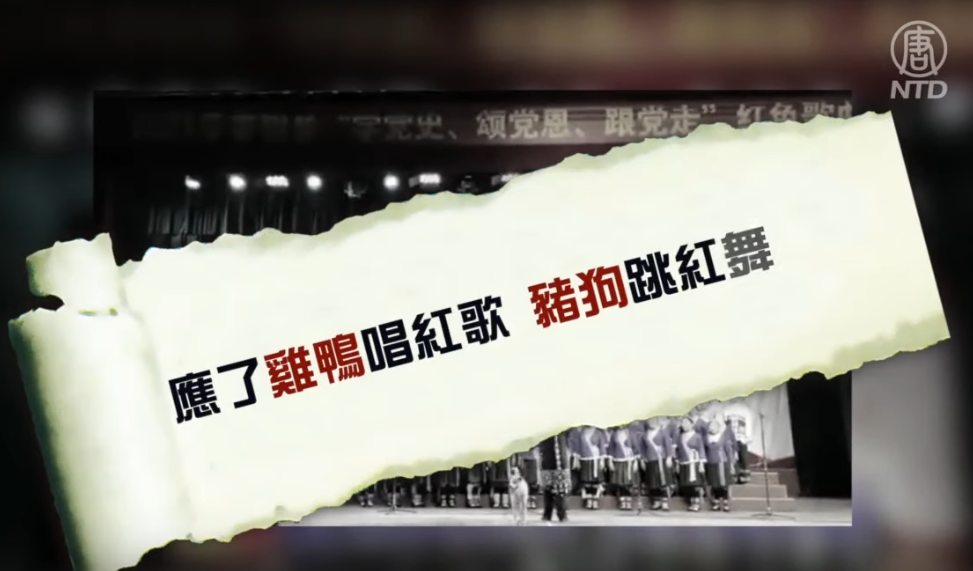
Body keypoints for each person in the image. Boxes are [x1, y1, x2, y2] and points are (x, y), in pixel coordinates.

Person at [569, 426, 610, 509]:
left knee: (595, 480)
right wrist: (576, 459)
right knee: (586, 479)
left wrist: (602, 460)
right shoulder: (581, 433)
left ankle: (595, 499)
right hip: (584, 459)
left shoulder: (598, 433)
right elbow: (577, 447)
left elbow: (602, 447)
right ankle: (588, 499)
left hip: (596, 459)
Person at [641, 417, 674, 511]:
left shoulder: (663, 432)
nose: (651, 422)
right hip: (650, 460)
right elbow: (643, 448)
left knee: (663, 481)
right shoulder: (645, 435)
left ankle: (664, 501)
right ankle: (656, 501)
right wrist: (643, 459)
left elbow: (668, 445)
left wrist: (669, 457)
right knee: (653, 482)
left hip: (661, 459)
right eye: (650, 421)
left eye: (653, 420)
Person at [537, 432, 571, 523]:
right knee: (548, 489)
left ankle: (561, 514)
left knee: (560, 490)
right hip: (548, 461)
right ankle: (548, 514)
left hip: (560, 462)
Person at [675, 416, 707, 512]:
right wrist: (677, 463)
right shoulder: (680, 437)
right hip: (684, 462)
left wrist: (701, 463)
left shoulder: (697, 436)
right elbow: (678, 451)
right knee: (687, 484)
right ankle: (691, 502)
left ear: (692, 424)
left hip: (694, 462)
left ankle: (696, 502)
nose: (684, 425)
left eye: (686, 423)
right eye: (683, 423)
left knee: (695, 483)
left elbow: (701, 449)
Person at [704, 418, 736, 512]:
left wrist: (731, 464)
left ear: (718, 427)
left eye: (714, 426)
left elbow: (729, 451)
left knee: (723, 484)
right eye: (710, 426)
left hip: (722, 463)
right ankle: (716, 502)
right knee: (714, 484)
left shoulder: (723, 438)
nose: (712, 428)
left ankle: (725, 503)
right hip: (711, 463)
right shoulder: (706, 438)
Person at [607, 425, 640, 511]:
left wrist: (636, 462)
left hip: (630, 461)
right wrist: (610, 461)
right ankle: (622, 501)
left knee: (628, 482)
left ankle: (628, 501)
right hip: (618, 460)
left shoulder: (631, 434)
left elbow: (636, 448)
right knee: (620, 482)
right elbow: (611, 449)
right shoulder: (614, 434)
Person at [722, 398, 753, 483]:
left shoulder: (744, 409)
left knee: (743, 455)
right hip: (730, 437)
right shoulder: (726, 409)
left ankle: (744, 475)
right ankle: (733, 474)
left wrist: (748, 436)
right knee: (731, 456)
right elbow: (724, 424)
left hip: (741, 437)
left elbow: (748, 422)